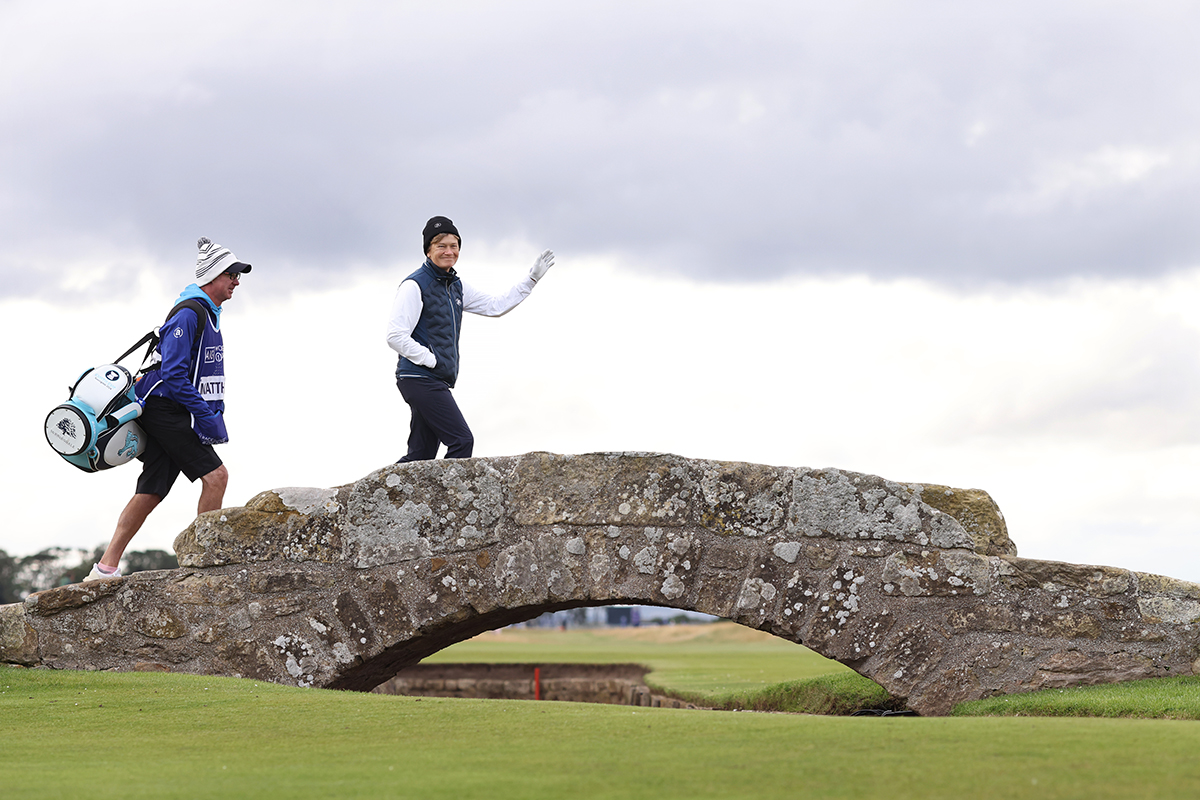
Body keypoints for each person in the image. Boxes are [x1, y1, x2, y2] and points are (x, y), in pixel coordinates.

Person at [84, 237, 251, 581]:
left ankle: (105, 568)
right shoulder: (190, 312)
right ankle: (204, 561)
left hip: (170, 409)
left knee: (152, 490)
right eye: (232, 274)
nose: (237, 281)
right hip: (163, 408)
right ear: (214, 274)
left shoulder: (206, 311)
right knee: (216, 477)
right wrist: (204, 415)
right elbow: (173, 375)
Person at [387, 216, 554, 462]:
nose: (449, 251)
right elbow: (395, 335)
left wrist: (530, 281)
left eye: (454, 246)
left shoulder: (455, 286)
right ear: (428, 250)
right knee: (462, 441)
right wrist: (430, 359)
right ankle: (445, 500)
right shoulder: (414, 285)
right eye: (441, 245)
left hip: (432, 379)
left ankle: (384, 497)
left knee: (421, 456)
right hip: (419, 377)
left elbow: (495, 306)